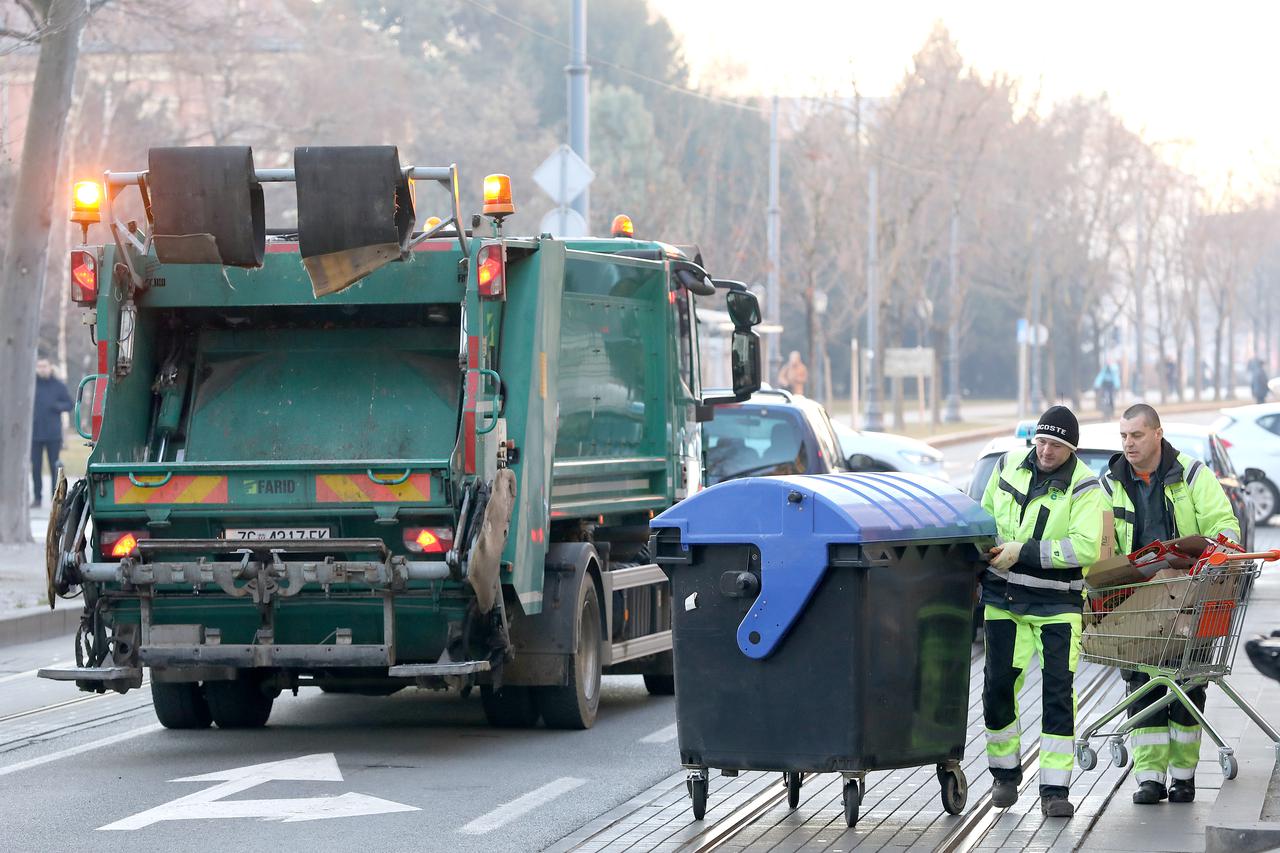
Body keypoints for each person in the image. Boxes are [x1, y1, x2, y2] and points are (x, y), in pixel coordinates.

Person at [1101, 403, 1240, 806]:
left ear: (1157, 434)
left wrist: (1215, 554)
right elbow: (1100, 539)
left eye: (1137, 435)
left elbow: (1223, 524)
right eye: (1123, 436)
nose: (1128, 443)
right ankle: (1149, 778)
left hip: (1188, 597)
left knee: (1188, 682)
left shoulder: (1193, 474)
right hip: (1136, 601)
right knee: (1141, 685)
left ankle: (1183, 777)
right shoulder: (1109, 484)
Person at [980, 405, 1107, 818]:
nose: (1047, 450)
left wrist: (1023, 552)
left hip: (1057, 605)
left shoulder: (1086, 487)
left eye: (1057, 444)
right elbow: (982, 516)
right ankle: (1004, 775)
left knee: (1057, 694)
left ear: (1072, 448)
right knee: (998, 686)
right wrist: (992, 548)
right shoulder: (1007, 465)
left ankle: (1055, 789)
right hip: (1003, 599)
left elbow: (1084, 548)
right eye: (1042, 441)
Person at [31, 358, 73, 507]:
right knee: (35, 466)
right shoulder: (31, 384)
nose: (42, 369)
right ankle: (37, 498)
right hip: (35, 433)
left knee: (54, 465)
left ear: (50, 367)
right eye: (39, 366)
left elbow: (70, 404)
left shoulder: (58, 386)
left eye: (45, 366)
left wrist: (57, 406)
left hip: (53, 433)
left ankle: (54, 496)